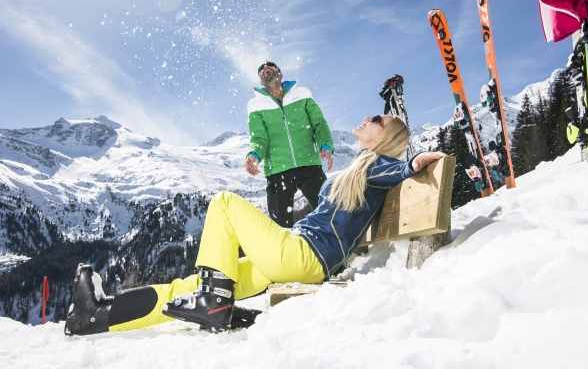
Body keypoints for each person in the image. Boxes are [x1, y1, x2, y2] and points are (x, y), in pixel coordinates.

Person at [64, 115, 444, 335]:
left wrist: (413, 165)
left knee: (225, 203)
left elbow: (400, 169)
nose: (367, 119)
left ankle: (213, 302)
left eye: (377, 120)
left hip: (304, 257)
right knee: (194, 286)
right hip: (298, 256)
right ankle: (99, 314)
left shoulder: (376, 166)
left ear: (387, 137)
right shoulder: (361, 168)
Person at [246, 61, 334, 227]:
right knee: (280, 225)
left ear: (280, 73)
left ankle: (351, 248)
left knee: (330, 211)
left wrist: (326, 146)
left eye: (269, 68)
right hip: (278, 171)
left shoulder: (302, 94)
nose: (265, 70)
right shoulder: (255, 106)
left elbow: (318, 123)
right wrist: (254, 155)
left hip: (309, 165)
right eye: (261, 71)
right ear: (260, 80)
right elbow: (259, 138)